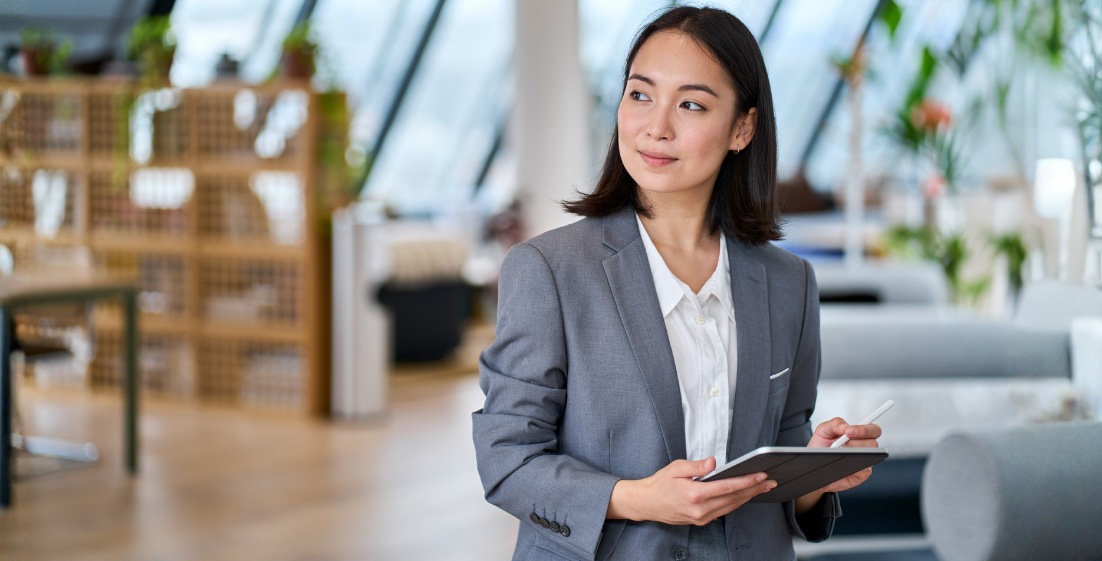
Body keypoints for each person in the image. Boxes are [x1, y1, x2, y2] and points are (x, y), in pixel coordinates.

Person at [472, 6, 881, 561]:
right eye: (640, 95)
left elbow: (782, 448)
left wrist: (815, 474)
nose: (656, 126)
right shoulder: (549, 270)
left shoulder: (789, 283)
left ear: (743, 128)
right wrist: (639, 499)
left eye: (690, 104)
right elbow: (508, 461)